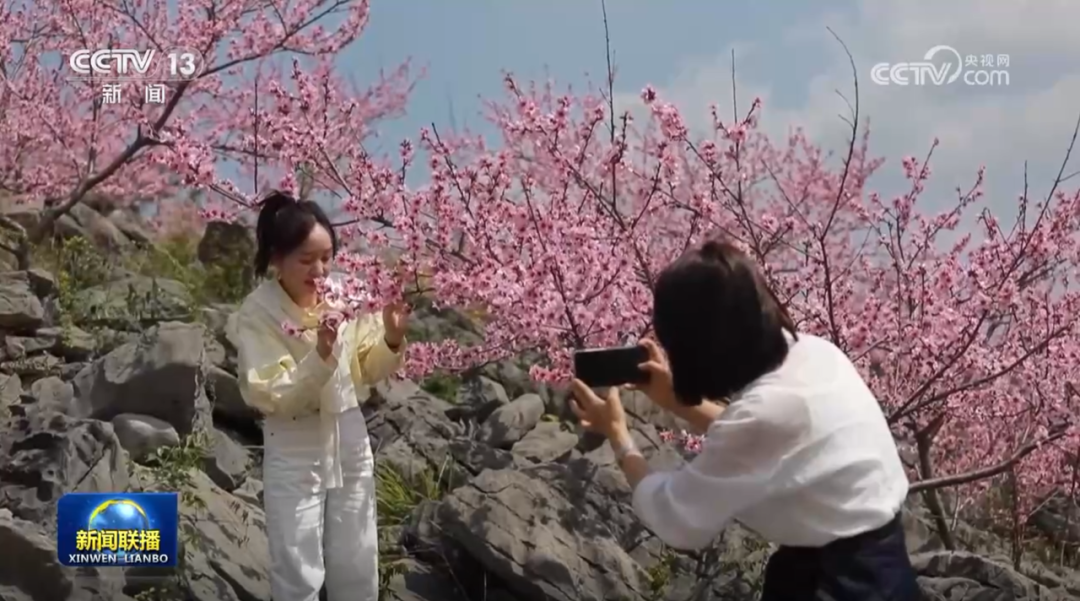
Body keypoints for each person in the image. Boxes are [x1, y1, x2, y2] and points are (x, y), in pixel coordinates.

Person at [568, 238, 920, 600]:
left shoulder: (766, 415)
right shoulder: (815, 352)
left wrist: (619, 436)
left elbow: (675, 517)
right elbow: (761, 438)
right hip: (883, 566)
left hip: (838, 585)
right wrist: (671, 399)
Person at [226, 192, 409, 601]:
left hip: (349, 430)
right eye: (307, 260)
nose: (320, 270)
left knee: (357, 552)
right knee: (297, 558)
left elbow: (367, 367)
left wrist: (392, 339)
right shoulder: (259, 311)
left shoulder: (345, 294)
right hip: (294, 438)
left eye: (327, 257)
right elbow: (271, 393)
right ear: (277, 258)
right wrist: (321, 356)